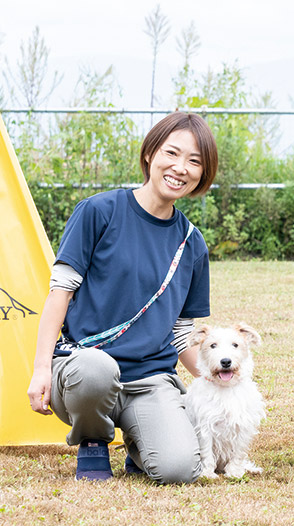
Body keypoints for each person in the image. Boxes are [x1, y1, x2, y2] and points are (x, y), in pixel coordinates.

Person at [26, 111, 218, 483]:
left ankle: (139, 443)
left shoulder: (191, 243)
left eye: (194, 161)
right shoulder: (98, 211)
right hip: (84, 371)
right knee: (96, 369)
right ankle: (93, 442)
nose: (180, 168)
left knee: (179, 469)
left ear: (203, 173)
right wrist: (40, 369)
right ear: (149, 154)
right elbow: (60, 292)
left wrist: (220, 378)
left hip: (149, 379)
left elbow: (180, 333)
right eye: (171, 153)